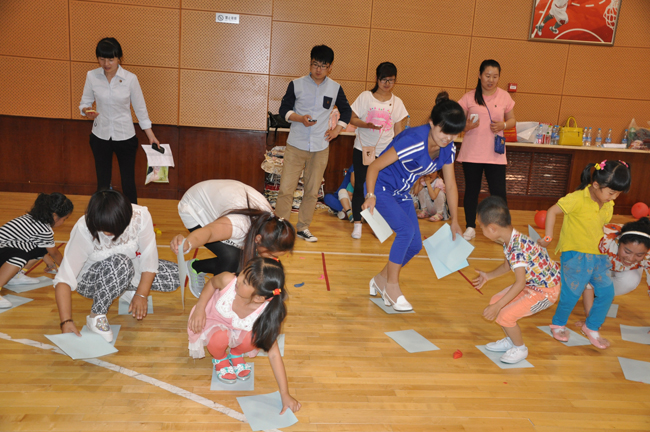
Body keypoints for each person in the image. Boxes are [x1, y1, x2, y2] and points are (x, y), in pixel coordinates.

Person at [362, 92, 465, 311]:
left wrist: (455, 219)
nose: (448, 137)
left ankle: (380, 280)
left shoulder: (448, 149)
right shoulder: (413, 141)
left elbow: (452, 184)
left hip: (400, 192)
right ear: (431, 124)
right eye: (444, 131)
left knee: (415, 244)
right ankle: (391, 287)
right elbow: (374, 167)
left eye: (453, 134)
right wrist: (370, 196)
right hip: (381, 186)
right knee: (406, 231)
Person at [54, 190, 179, 342]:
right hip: (90, 280)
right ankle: (96, 316)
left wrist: (141, 294)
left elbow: (149, 258)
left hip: (126, 268)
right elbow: (64, 279)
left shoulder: (140, 216)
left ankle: (124, 288)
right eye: (103, 229)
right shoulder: (83, 228)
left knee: (174, 276)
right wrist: (66, 321)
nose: (108, 234)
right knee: (121, 263)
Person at [187, 257, 301, 414]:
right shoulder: (228, 280)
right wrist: (200, 307)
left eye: (245, 281)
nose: (238, 279)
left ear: (259, 298)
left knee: (256, 337)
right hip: (214, 320)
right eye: (243, 273)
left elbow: (274, 354)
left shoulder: (265, 313)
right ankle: (220, 358)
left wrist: (285, 394)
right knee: (219, 337)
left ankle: (236, 355)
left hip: (237, 328)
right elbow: (212, 283)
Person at [539, 160, 631, 348]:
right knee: (571, 294)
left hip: (598, 256)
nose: (614, 197)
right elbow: (551, 211)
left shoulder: (608, 204)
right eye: (611, 192)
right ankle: (558, 324)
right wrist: (548, 237)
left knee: (606, 292)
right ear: (596, 185)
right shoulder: (577, 198)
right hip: (575, 255)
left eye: (618, 194)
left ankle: (592, 327)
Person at [275, 45, 352, 243]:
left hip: (320, 147)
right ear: (310, 63)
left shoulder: (335, 88)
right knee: (286, 189)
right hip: (296, 144)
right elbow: (283, 110)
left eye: (323, 66)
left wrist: (337, 130)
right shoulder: (296, 84)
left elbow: (346, 112)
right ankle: (279, 227)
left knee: (311, 191)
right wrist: (300, 118)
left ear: (330, 67)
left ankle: (303, 227)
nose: (318, 69)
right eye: (314, 64)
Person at [472, 197, 561, 364]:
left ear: (492, 229)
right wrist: (489, 275)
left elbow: (519, 283)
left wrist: (498, 307)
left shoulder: (516, 248)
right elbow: (508, 266)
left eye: (481, 227)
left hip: (546, 292)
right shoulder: (510, 239)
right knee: (496, 301)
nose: (480, 230)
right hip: (533, 285)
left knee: (503, 312)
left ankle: (520, 348)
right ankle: (511, 341)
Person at [171, 180, 296, 298]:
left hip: (222, 200)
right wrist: (188, 243)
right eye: (270, 253)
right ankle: (215, 299)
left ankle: (196, 267)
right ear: (258, 238)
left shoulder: (269, 224)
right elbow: (209, 232)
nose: (271, 258)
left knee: (243, 260)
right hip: (195, 206)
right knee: (232, 258)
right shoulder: (239, 225)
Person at [79, 37, 160, 204]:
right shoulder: (92, 76)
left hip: (125, 136)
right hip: (100, 135)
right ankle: (103, 219)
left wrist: (150, 135)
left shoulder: (130, 79)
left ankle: (133, 219)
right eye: (102, 59)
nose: (106, 63)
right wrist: (87, 111)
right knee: (102, 183)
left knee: (128, 182)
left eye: (111, 59)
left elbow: (140, 109)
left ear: (119, 58)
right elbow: (84, 103)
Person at [458, 59, 516, 241]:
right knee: (471, 190)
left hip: (495, 154)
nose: (491, 80)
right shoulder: (469, 97)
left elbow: (513, 120)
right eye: (487, 75)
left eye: (495, 76)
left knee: (499, 193)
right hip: (472, 153)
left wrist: (503, 124)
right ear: (479, 75)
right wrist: (466, 126)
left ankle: (502, 231)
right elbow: (458, 123)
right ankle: (469, 226)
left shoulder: (504, 96)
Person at [349, 62, 409, 239]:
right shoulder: (365, 97)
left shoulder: (397, 103)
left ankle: (378, 225)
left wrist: (400, 153)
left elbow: (399, 131)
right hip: (363, 148)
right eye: (384, 79)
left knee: (380, 189)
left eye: (391, 80)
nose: (387, 84)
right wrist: (366, 124)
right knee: (360, 185)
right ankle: (357, 224)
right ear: (377, 79)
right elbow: (352, 119)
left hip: (385, 152)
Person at [0, 193, 73, 308]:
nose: (64, 221)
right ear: (55, 216)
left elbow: (41, 248)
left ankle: (13, 276)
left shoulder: (34, 219)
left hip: (3, 250)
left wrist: (49, 263)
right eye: (65, 219)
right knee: (20, 256)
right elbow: (55, 253)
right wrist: (68, 271)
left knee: (37, 249)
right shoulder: (44, 230)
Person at [580, 217, 650, 318]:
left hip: (622, 268)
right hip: (600, 261)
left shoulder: (648, 255)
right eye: (627, 251)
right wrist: (590, 319)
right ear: (618, 242)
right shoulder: (602, 242)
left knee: (631, 280)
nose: (630, 258)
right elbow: (586, 277)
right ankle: (599, 292)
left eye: (639, 255)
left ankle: (603, 293)